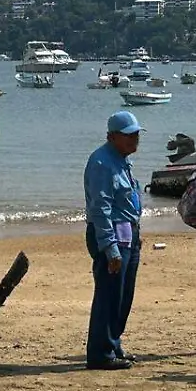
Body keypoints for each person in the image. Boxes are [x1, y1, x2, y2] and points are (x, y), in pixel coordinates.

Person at [83, 111, 144, 370]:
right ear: (112, 136)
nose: (135, 139)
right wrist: (109, 248)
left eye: (137, 134)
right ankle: (100, 354)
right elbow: (100, 209)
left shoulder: (122, 160)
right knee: (108, 295)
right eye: (129, 135)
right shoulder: (101, 163)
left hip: (129, 233)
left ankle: (113, 344)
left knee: (123, 295)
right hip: (111, 237)